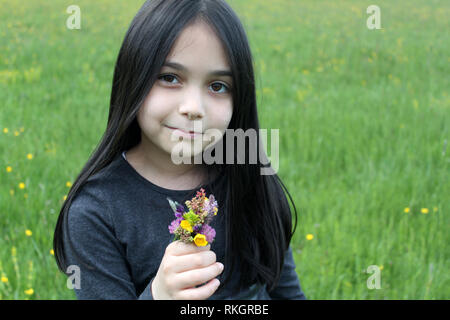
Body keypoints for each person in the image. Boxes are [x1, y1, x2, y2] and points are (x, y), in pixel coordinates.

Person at [53, 0, 307, 300]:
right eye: (170, 77)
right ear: (133, 77)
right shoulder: (95, 212)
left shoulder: (249, 177)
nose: (194, 108)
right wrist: (159, 294)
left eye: (217, 86)